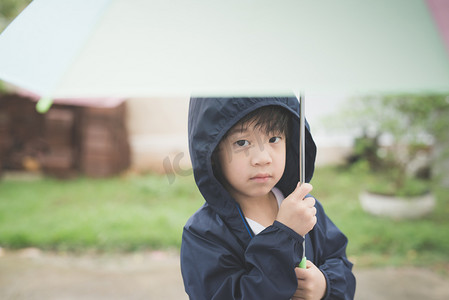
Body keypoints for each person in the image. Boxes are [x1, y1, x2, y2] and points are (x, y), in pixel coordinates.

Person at [181, 97, 356, 299]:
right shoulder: (204, 233)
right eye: (242, 142)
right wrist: (284, 235)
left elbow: (340, 263)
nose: (263, 158)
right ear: (212, 153)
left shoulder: (305, 209)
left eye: (274, 139)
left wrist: (325, 285)